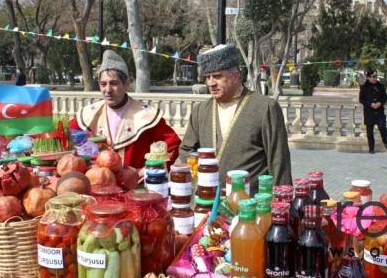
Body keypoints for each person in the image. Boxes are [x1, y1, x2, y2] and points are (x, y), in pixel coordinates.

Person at [179, 43, 292, 195]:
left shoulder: (264, 108)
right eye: (208, 77)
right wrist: (200, 163)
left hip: (251, 207)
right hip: (209, 204)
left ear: (236, 76)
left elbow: (279, 161)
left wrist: (281, 205)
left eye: (217, 76)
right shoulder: (200, 111)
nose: (211, 83)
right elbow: (186, 149)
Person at [70, 50, 181, 182]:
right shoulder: (89, 114)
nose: (108, 90)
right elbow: (65, 137)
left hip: (136, 188)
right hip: (98, 185)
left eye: (114, 83)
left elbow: (173, 145)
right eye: (103, 84)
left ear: (127, 84)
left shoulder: (145, 115)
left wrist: (149, 170)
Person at [358, 69, 387, 154]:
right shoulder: (364, 87)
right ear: (368, 77)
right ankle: (371, 148)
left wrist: (380, 103)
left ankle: (385, 140)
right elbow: (361, 99)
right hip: (369, 111)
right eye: (372, 77)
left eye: (375, 77)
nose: (374, 79)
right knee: (370, 132)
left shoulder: (381, 86)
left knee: (382, 128)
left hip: (379, 111)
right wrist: (370, 104)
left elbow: (385, 97)